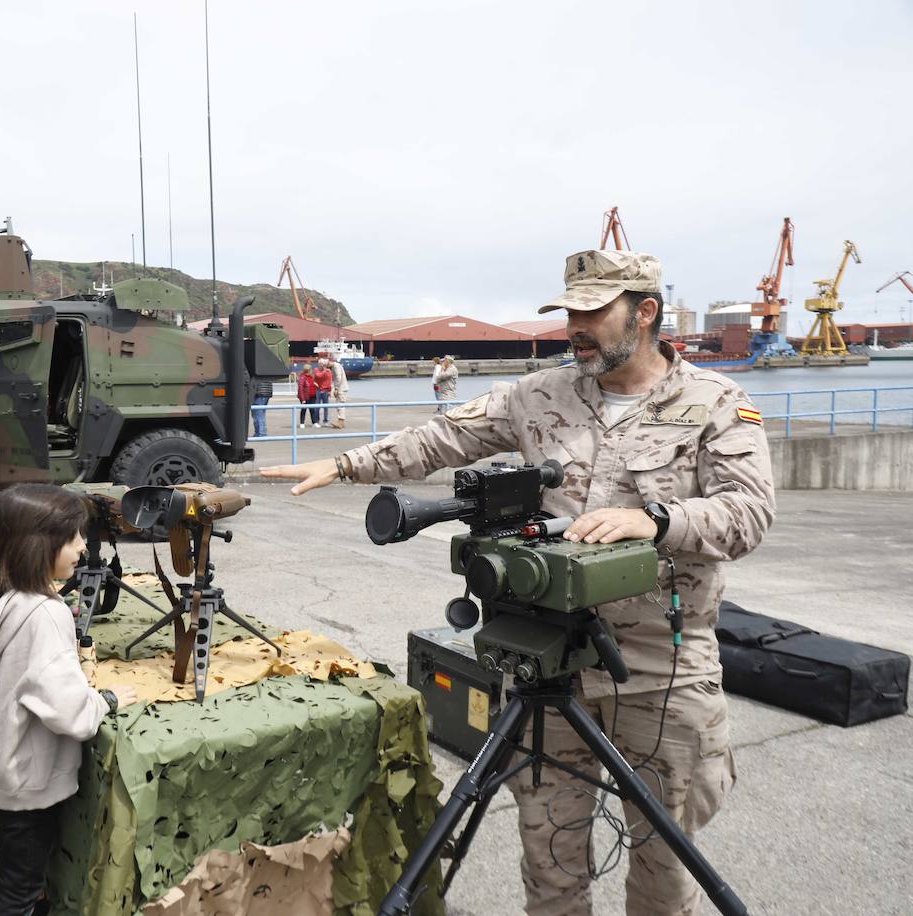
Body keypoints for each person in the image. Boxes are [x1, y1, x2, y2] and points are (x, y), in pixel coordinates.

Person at [262, 248, 777, 916]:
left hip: (660, 670)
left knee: (664, 865)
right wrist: (348, 463)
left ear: (645, 312)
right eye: (571, 312)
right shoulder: (537, 394)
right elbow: (444, 438)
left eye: (594, 312)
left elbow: (749, 513)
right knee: (550, 859)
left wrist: (654, 520)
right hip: (545, 661)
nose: (577, 326)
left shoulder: (717, 403)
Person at [0, 485, 137, 916]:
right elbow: (70, 714)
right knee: (21, 887)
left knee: (9, 872)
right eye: (73, 537)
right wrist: (106, 700)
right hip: (28, 780)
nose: (82, 547)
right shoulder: (45, 613)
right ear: (41, 545)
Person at [320, 354, 349, 429]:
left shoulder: (335, 367)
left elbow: (338, 378)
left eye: (327, 366)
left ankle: (341, 421)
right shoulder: (336, 366)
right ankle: (340, 421)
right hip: (342, 388)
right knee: (339, 404)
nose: (328, 368)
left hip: (341, 389)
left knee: (340, 404)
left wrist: (336, 389)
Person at [313, 359, 334, 426]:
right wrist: (325, 371)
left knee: (326, 407)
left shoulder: (329, 371)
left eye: (324, 364)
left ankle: (325, 421)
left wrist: (330, 390)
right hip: (318, 390)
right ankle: (316, 421)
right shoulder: (316, 370)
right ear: (319, 364)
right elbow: (318, 376)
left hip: (325, 391)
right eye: (322, 364)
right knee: (317, 407)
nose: (323, 366)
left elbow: (330, 381)